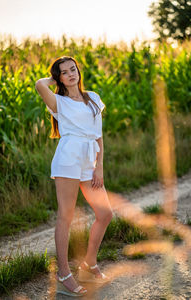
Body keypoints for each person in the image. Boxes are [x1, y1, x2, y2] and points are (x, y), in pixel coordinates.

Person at [35, 56, 113, 297]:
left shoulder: (94, 98)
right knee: (66, 217)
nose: (71, 74)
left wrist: (99, 166)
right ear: (58, 78)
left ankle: (89, 265)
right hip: (68, 158)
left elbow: (98, 135)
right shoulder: (58, 101)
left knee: (105, 213)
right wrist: (54, 77)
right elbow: (39, 84)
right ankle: (64, 274)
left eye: (73, 69)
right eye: (64, 73)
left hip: (89, 161)